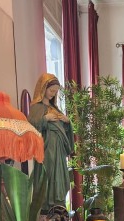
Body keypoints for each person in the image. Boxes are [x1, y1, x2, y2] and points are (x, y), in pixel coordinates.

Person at [28, 73, 74, 213]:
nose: (53, 94)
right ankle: (47, 207)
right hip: (46, 148)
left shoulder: (55, 108)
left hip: (58, 149)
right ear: (43, 89)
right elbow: (31, 126)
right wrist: (45, 119)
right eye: (51, 90)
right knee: (48, 175)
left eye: (55, 91)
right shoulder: (36, 108)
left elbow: (63, 128)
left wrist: (67, 122)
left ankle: (59, 204)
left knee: (60, 176)